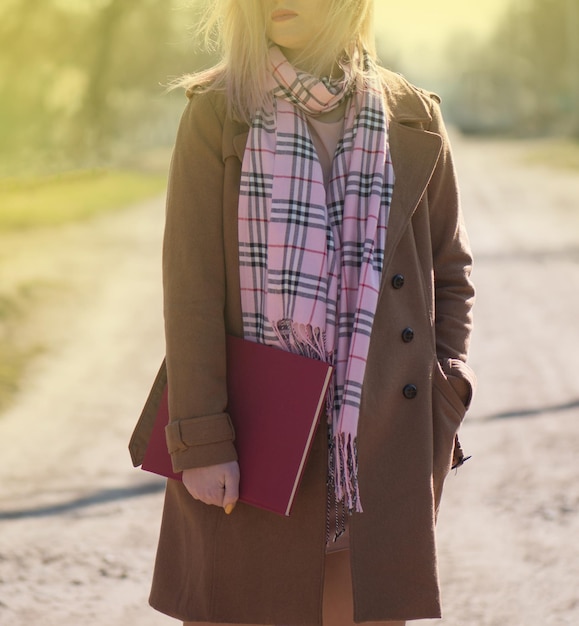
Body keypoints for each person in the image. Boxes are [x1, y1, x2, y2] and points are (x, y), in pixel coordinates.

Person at [130, 0, 476, 624]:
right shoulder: (219, 112)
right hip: (260, 430)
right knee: (250, 605)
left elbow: (449, 268)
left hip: (378, 433)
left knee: (363, 608)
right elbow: (191, 291)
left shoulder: (411, 113)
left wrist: (447, 382)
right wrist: (202, 439)